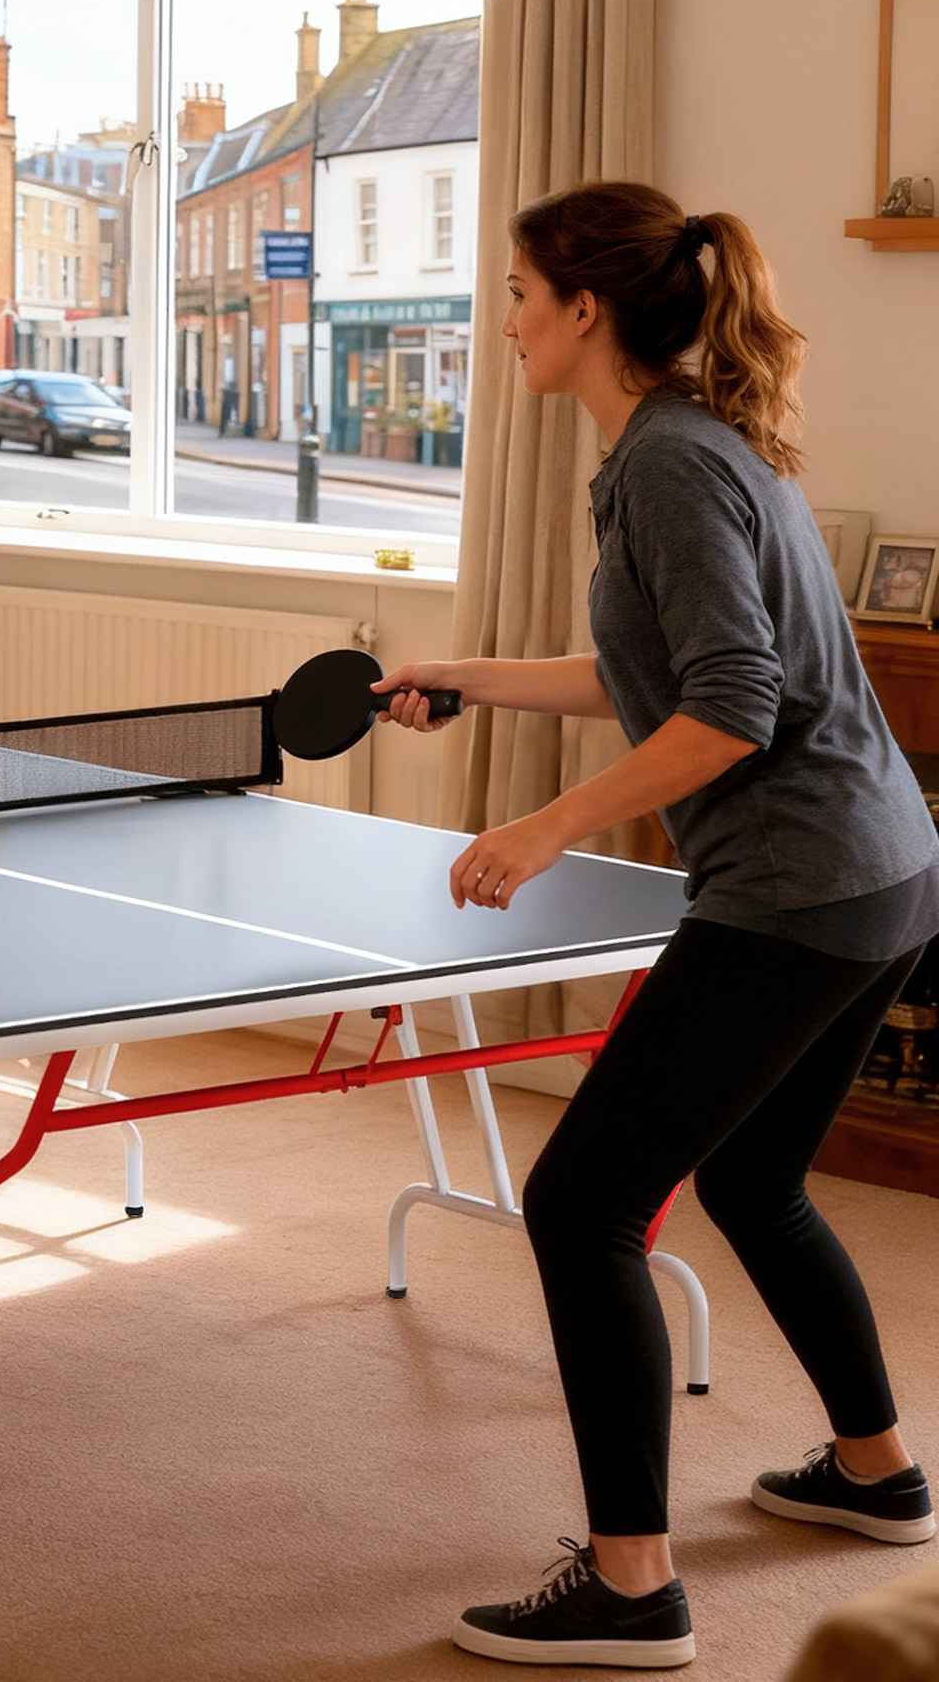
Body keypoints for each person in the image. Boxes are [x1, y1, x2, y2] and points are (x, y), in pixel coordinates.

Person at [374, 180, 938, 1668]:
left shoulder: (673, 466)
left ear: (584, 308)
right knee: (756, 1178)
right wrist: (474, 676)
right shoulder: (677, 447)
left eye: (512, 291)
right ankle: (879, 1475)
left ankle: (634, 1588)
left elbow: (731, 710)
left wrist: (544, 827)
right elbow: (658, 666)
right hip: (884, 874)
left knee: (582, 1205)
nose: (500, 318)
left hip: (800, 886)